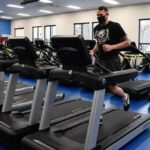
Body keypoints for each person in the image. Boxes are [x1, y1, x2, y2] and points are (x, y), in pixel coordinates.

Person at [90, 6, 131, 111]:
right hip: (100, 61)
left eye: (101, 15)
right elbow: (98, 44)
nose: (99, 17)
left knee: (112, 88)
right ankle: (100, 108)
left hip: (112, 60)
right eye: (97, 15)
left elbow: (127, 42)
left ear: (107, 14)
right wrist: (93, 51)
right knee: (97, 84)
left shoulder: (115, 26)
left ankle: (125, 96)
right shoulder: (96, 28)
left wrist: (112, 47)